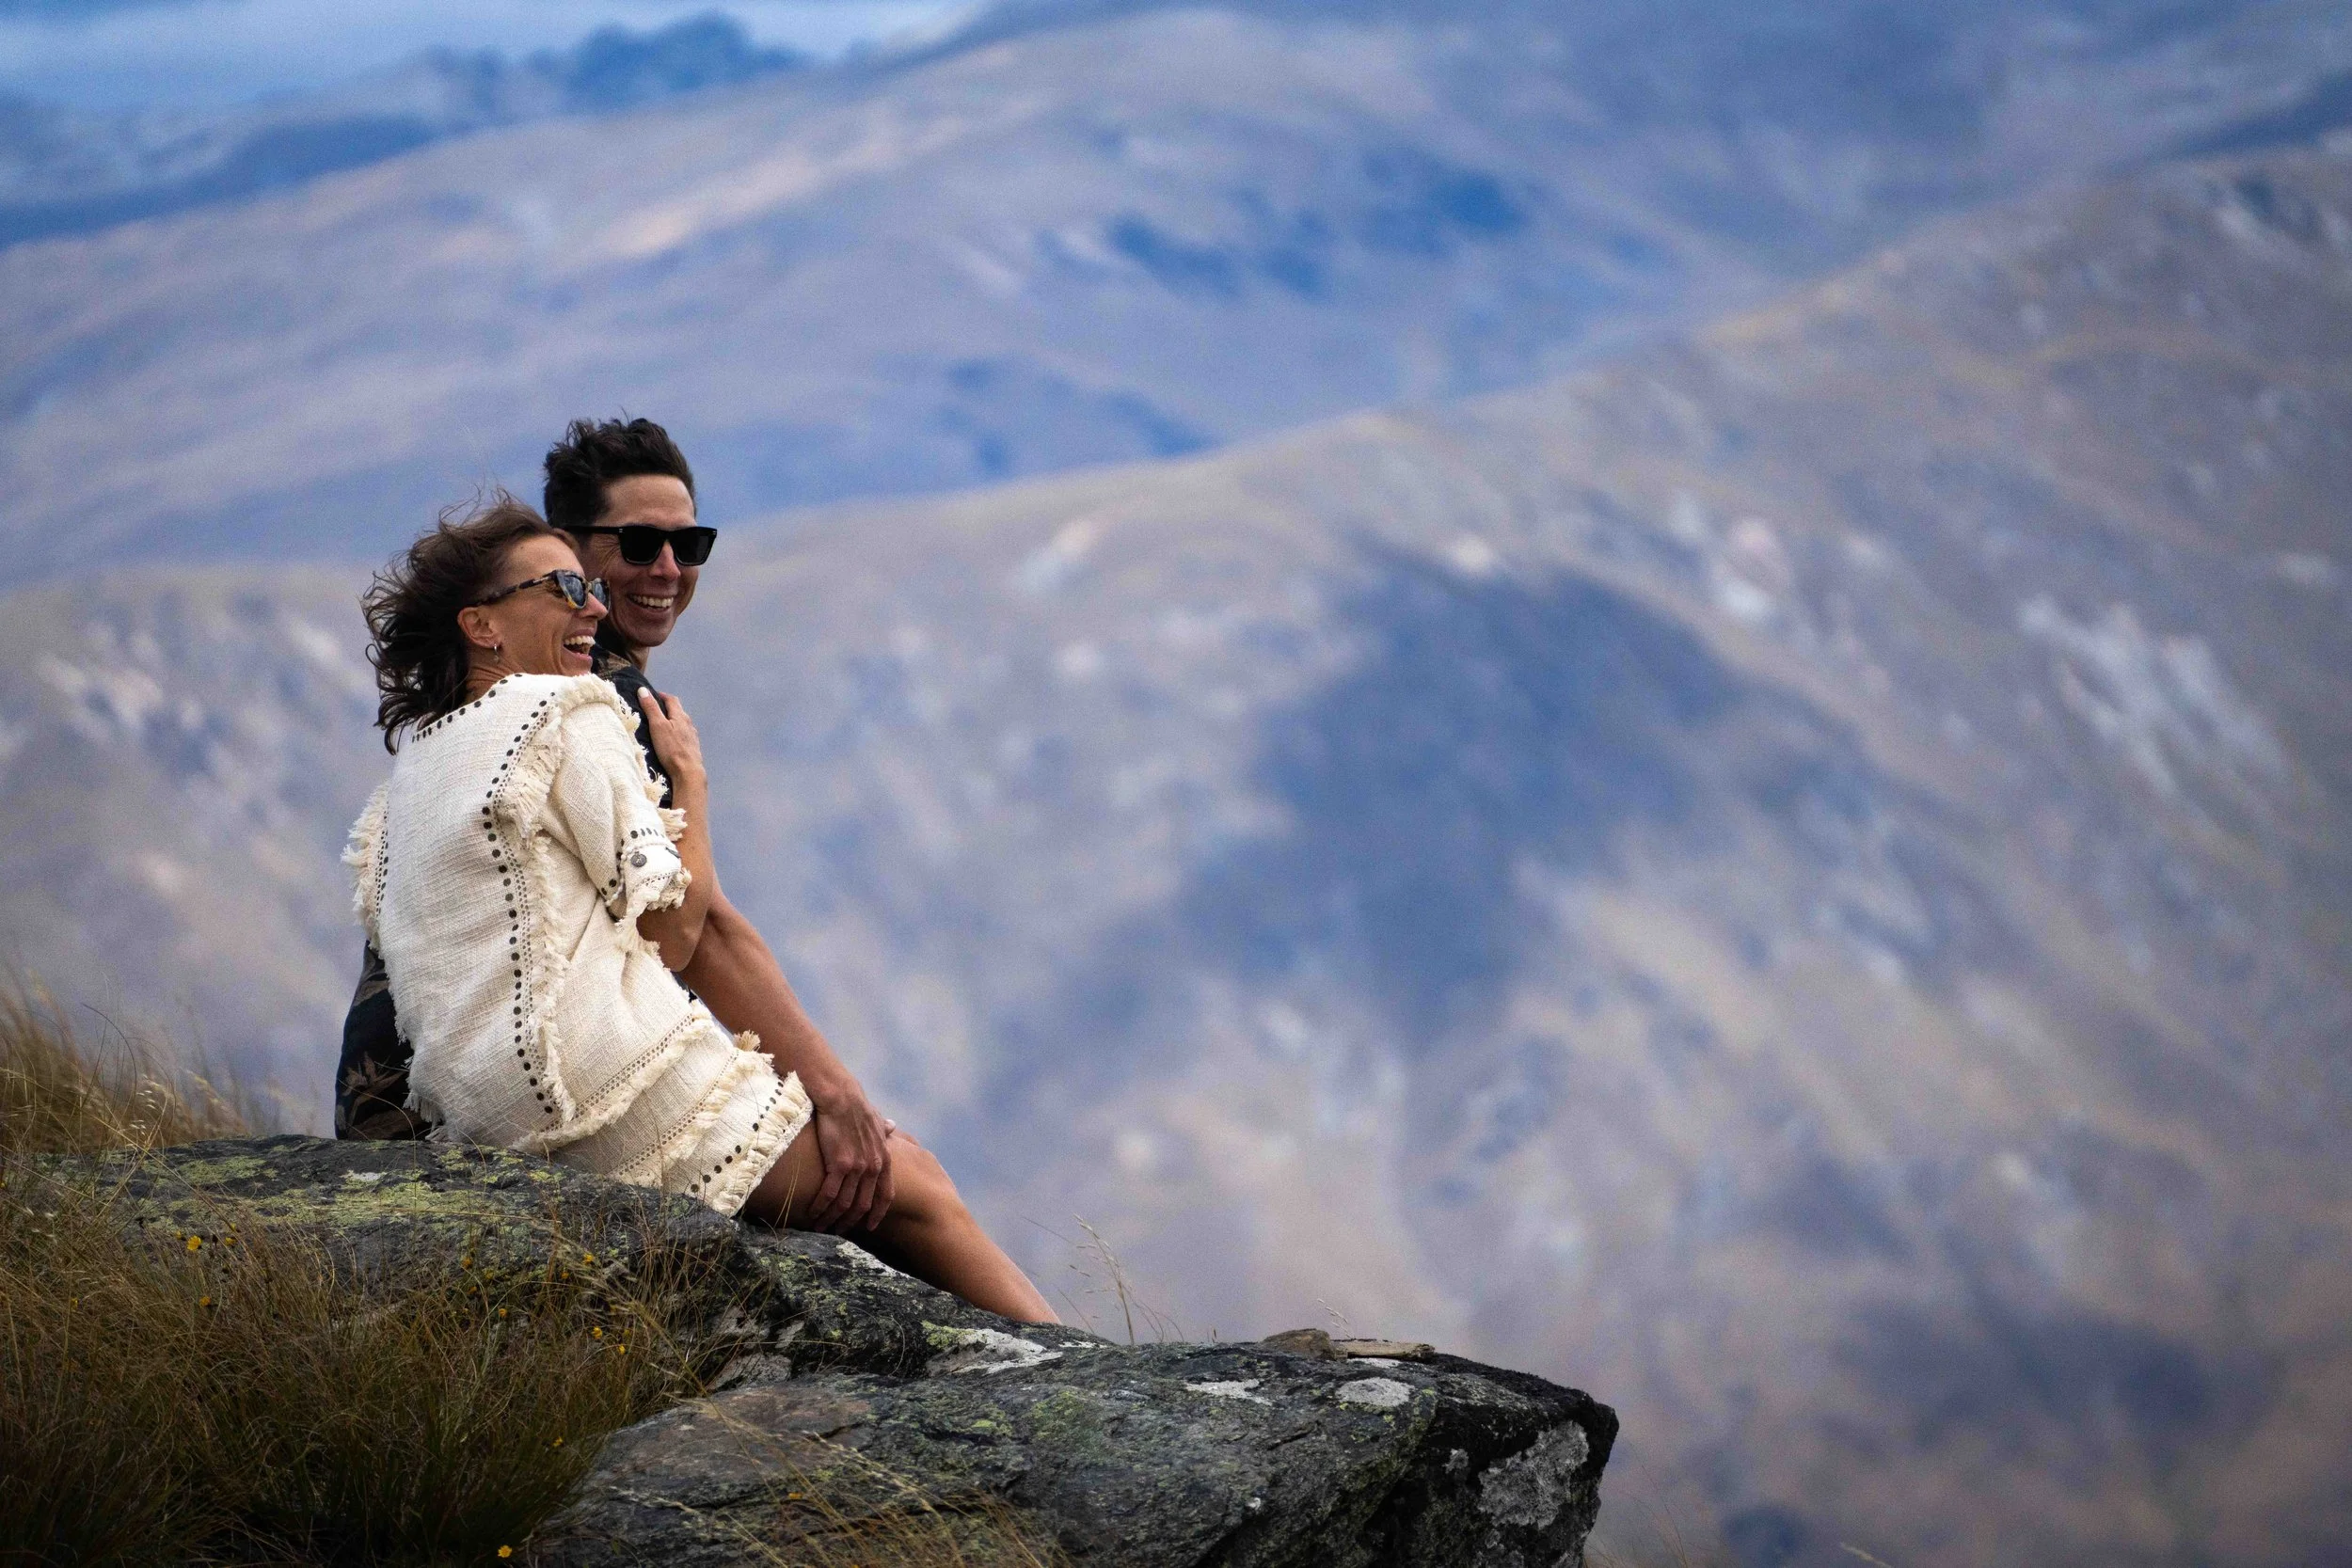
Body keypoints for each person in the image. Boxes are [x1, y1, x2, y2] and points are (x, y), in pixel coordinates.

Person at [347, 499, 1054, 1321]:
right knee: (910, 1182)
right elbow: (679, 932)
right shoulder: (563, 711)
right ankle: (1095, 1388)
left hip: (483, 1122)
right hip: (596, 1090)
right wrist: (690, 780)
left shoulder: (409, 780)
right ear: (483, 625)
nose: (595, 607)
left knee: (850, 1205)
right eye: (565, 587)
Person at [336, 418, 898, 1237]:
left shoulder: (471, 710)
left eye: (691, 542)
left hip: (384, 1105)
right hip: (499, 1119)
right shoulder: (594, 701)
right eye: (637, 544)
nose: (667, 569)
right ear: (565, 550)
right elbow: (694, 936)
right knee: (888, 1183)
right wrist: (836, 1096)